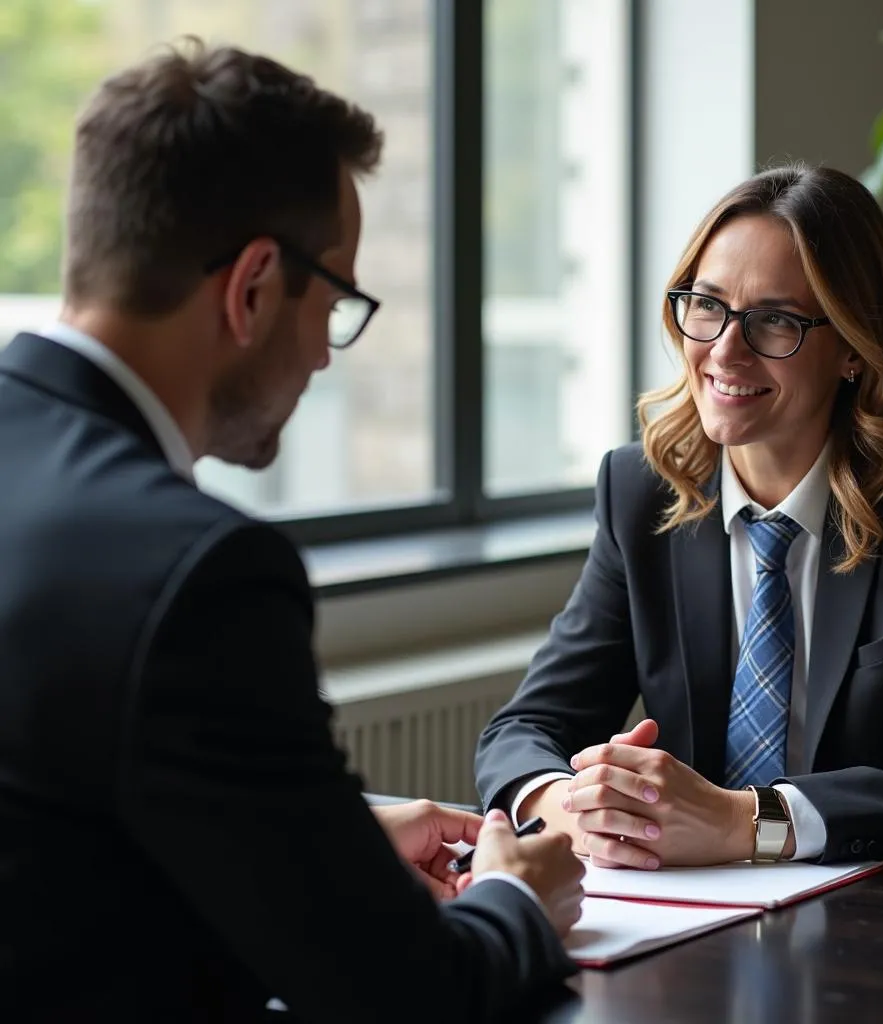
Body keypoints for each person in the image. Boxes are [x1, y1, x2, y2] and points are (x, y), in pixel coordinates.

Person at [0, 40, 584, 1023]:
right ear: (256, 286)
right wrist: (518, 897)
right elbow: (408, 997)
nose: (323, 353)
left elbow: (51, 806)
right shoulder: (196, 572)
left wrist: (327, 835)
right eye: (340, 300)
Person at [475, 163, 883, 871]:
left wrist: (749, 822)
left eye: (774, 321)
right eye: (707, 305)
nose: (724, 351)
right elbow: (525, 728)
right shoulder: (639, 490)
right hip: (686, 924)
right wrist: (569, 805)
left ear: (854, 349)